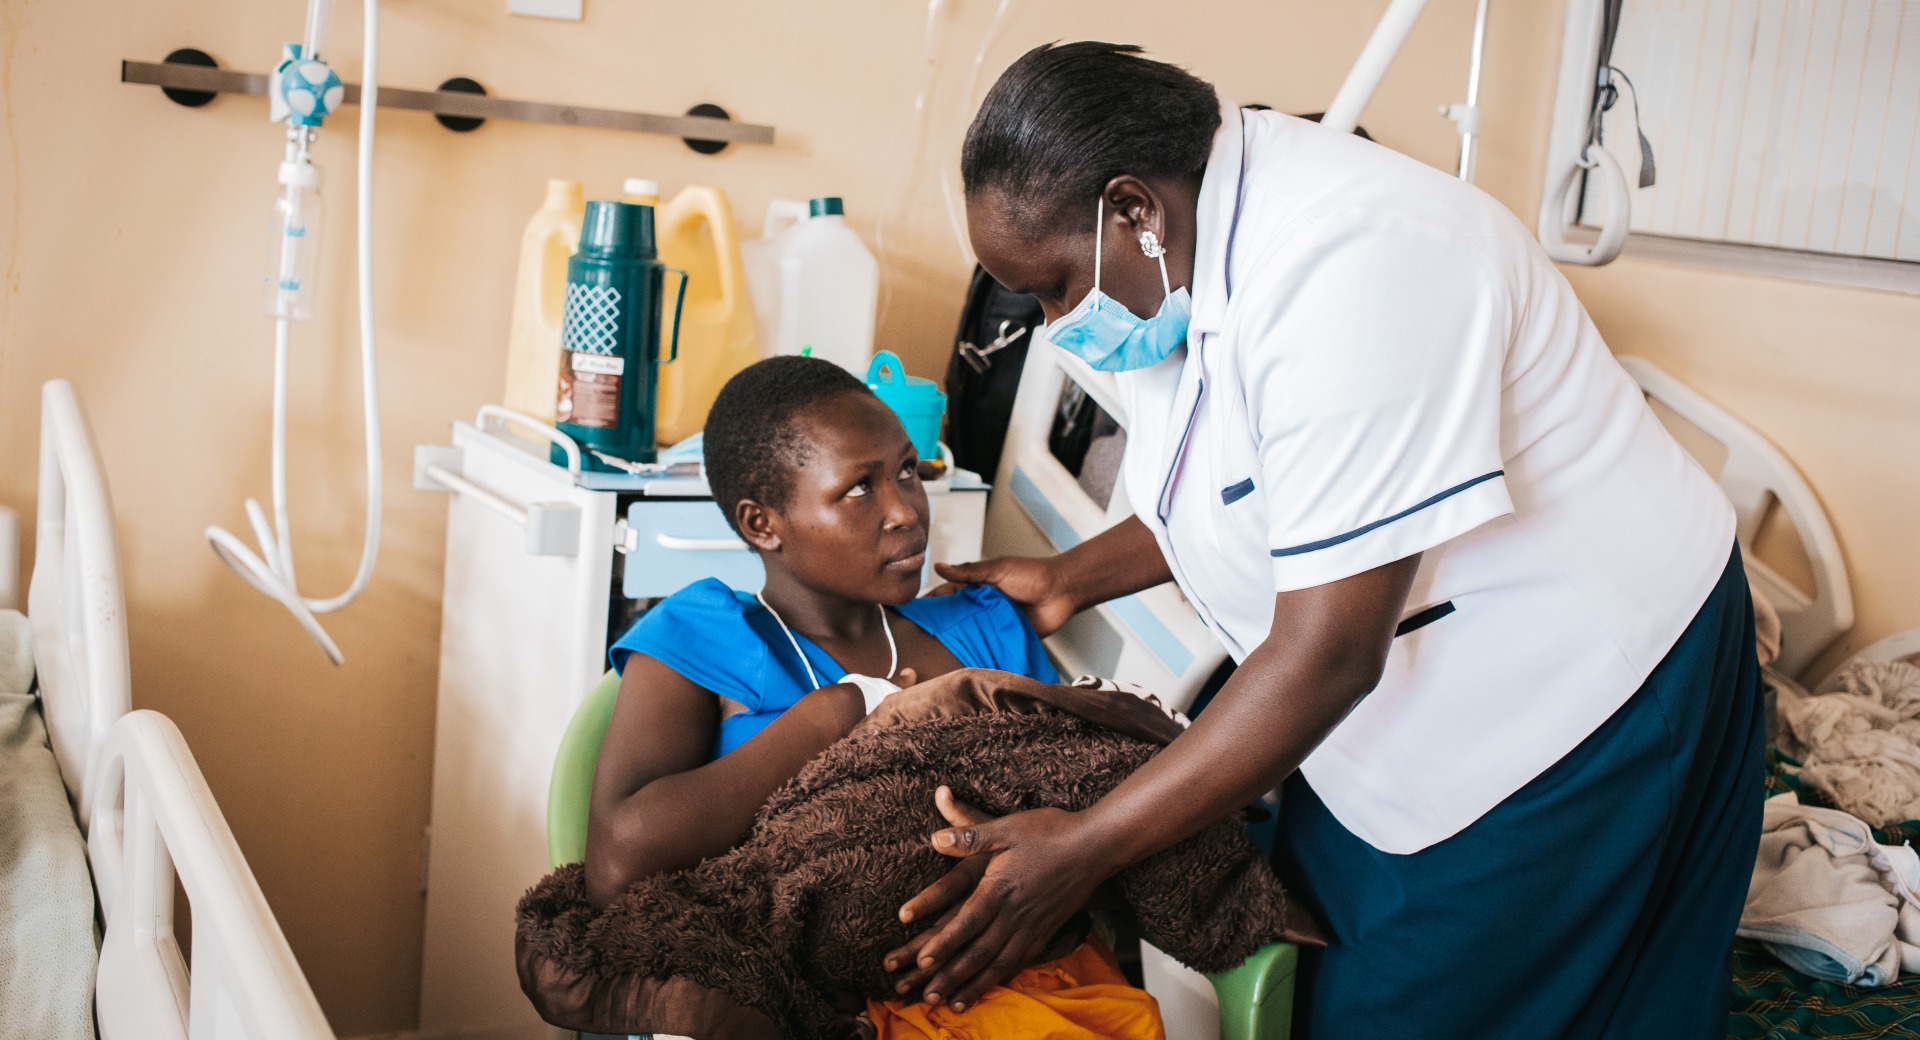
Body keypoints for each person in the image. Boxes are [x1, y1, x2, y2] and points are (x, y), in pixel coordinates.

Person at [886, 42, 1764, 1040]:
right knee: (1341, 980)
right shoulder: (1172, 263)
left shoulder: (1359, 264)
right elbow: (1245, 490)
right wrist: (1066, 578)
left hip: (1586, 684)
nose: (1052, 325)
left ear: (1133, 209)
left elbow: (1328, 651)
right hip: (1387, 694)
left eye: (1052, 287)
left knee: (1481, 999)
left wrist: (1084, 846)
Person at [584, 355, 1165, 1039]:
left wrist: (1016, 865)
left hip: (1015, 983)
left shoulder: (981, 628)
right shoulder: (705, 636)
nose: (905, 512)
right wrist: (836, 714)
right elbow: (618, 861)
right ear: (761, 522)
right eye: (859, 489)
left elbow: (1095, 797)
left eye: (909, 472)